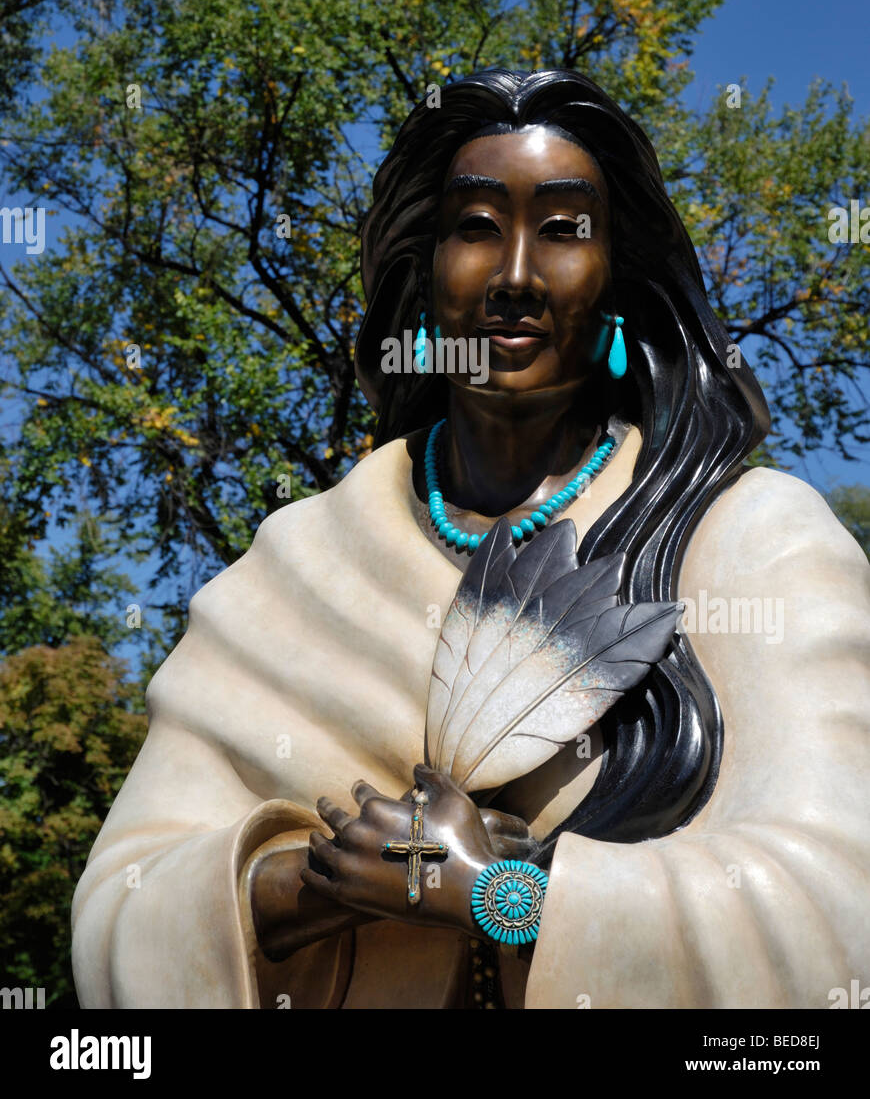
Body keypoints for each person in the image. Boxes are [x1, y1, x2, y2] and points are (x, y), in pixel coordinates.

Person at [71, 68, 870, 1009]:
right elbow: (120, 909)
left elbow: (836, 918)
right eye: (476, 228)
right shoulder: (293, 567)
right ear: (424, 271)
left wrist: (498, 898)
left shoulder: (750, 543)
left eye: (565, 230)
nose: (517, 276)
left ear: (619, 276)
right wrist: (313, 880)